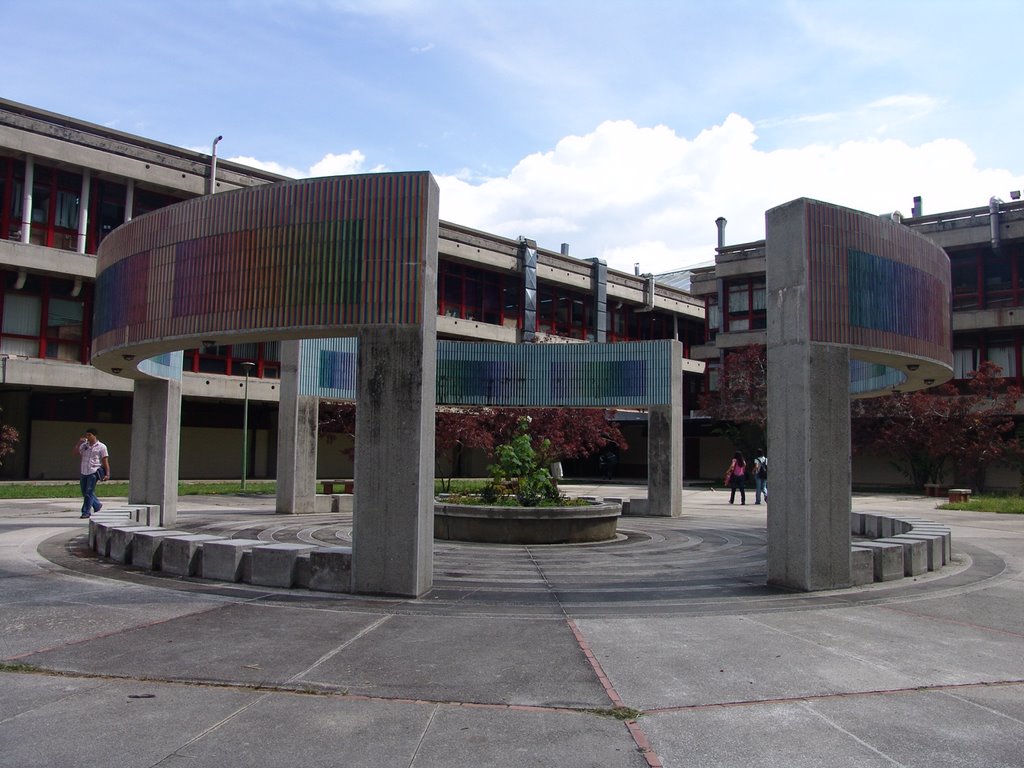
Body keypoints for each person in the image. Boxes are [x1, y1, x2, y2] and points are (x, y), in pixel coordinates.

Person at [74, 427, 110, 519]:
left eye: (89, 435)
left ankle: (86, 512)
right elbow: (75, 453)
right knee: (84, 491)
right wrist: (79, 443)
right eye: (86, 435)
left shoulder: (102, 446)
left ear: (95, 436)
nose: (87, 437)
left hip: (93, 472)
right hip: (84, 471)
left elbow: (105, 461)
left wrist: (107, 473)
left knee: (89, 492)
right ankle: (97, 505)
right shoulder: (84, 446)